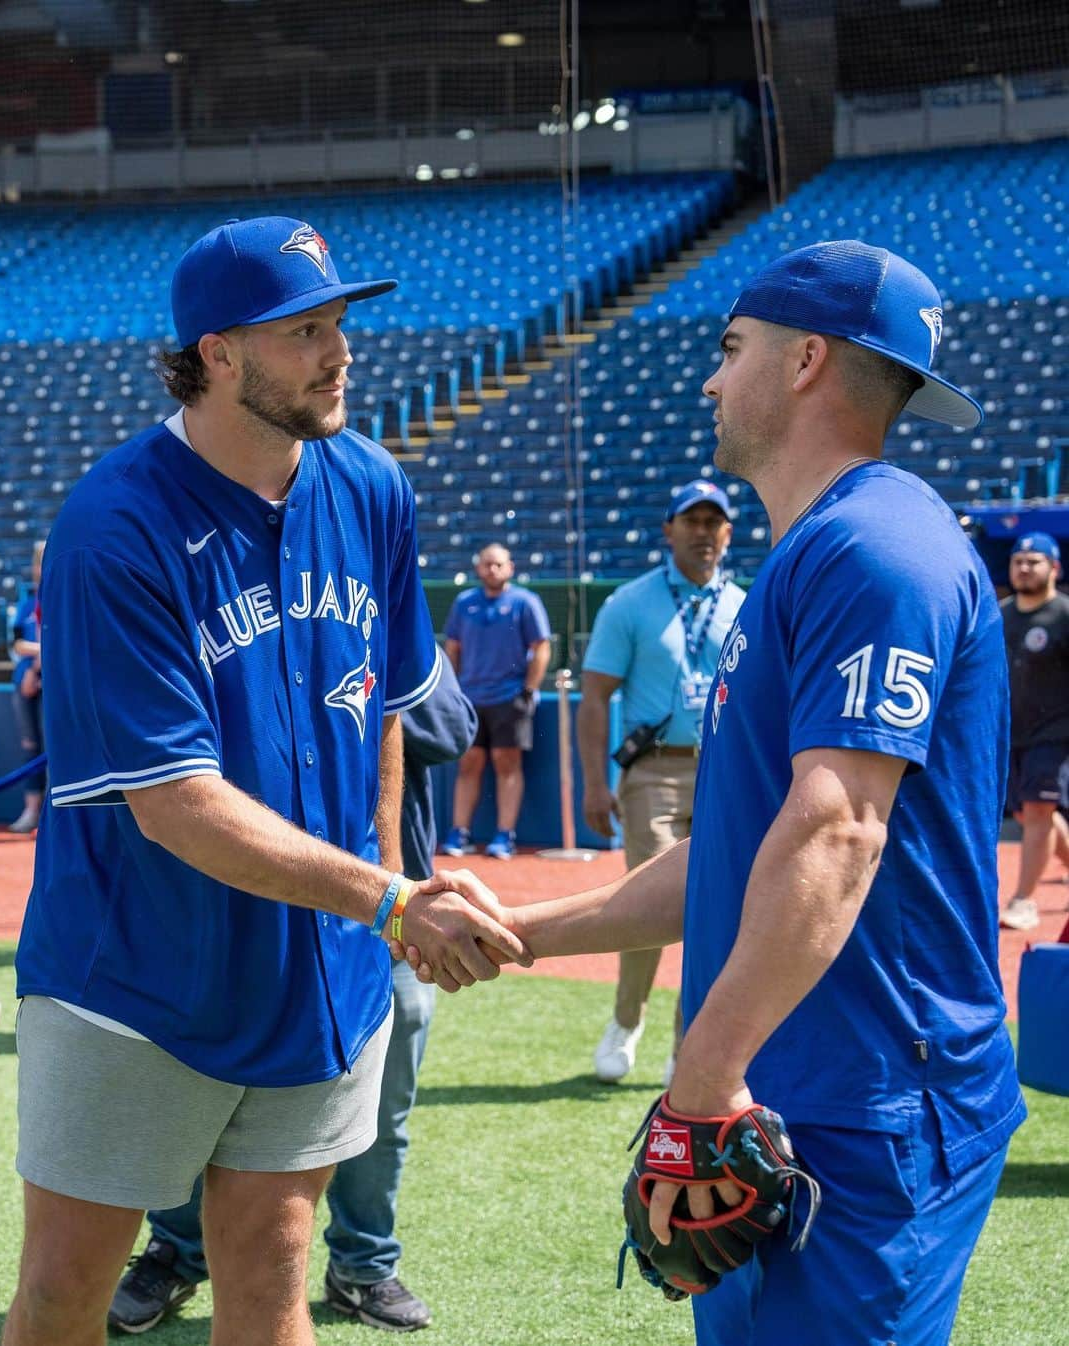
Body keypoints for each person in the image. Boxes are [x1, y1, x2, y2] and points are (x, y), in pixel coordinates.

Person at [407, 241, 1026, 1346]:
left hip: (870, 1095)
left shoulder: (879, 547)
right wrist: (520, 930)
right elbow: (735, 855)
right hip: (787, 1085)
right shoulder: (809, 554)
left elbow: (837, 832)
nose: (707, 378)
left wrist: (699, 1081)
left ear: (805, 362)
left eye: (730, 348)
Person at [5, 215, 528, 1346]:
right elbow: (176, 802)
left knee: (273, 1265)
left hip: (320, 972)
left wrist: (386, 881)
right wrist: (392, 899)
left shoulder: (374, 485)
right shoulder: (113, 525)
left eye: (341, 322)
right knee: (59, 1292)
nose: (342, 351)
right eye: (306, 330)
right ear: (220, 352)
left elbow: (387, 707)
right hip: (138, 979)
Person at [108, 648, 477, 1334]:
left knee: (379, 1115)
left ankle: (365, 1264)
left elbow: (452, 727)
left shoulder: (383, 626)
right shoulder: (252, 626)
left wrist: (362, 701)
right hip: (244, 910)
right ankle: (175, 1254)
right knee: (200, 1100)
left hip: (393, 908)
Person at [578, 480, 745, 1085]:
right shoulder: (630, 602)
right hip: (654, 771)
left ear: (728, 532)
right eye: (691, 521)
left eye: (714, 522)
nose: (703, 533)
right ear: (668, 530)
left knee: (719, 911)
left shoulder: (744, 604)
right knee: (654, 899)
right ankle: (627, 1019)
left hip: (727, 771)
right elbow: (595, 698)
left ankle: (688, 1040)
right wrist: (595, 784)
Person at [440, 544, 551, 859]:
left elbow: (541, 647)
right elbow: (453, 648)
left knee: (507, 763)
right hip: (471, 700)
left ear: (510, 568)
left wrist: (527, 691)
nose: (493, 570)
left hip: (509, 699)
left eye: (499, 564)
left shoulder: (525, 602)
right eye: (487, 564)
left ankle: (505, 835)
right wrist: (454, 690)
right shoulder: (464, 603)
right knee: (469, 764)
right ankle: (459, 832)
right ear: (478, 568)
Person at [999, 531, 1069, 931]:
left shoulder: (1063, 616)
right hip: (1011, 734)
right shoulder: (1000, 615)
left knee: (1040, 808)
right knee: (1030, 815)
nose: (1024, 568)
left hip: (1054, 734)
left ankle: (1023, 900)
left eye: (1034, 561)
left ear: (1054, 568)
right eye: (1018, 561)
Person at [8, 539, 46, 834]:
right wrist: (36, 657)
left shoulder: (62, 597)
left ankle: (51, 817)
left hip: (51, 682)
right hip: (24, 685)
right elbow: (17, 642)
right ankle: (31, 811)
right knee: (29, 747)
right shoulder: (27, 601)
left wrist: (37, 667)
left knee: (55, 748)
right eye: (37, 562)